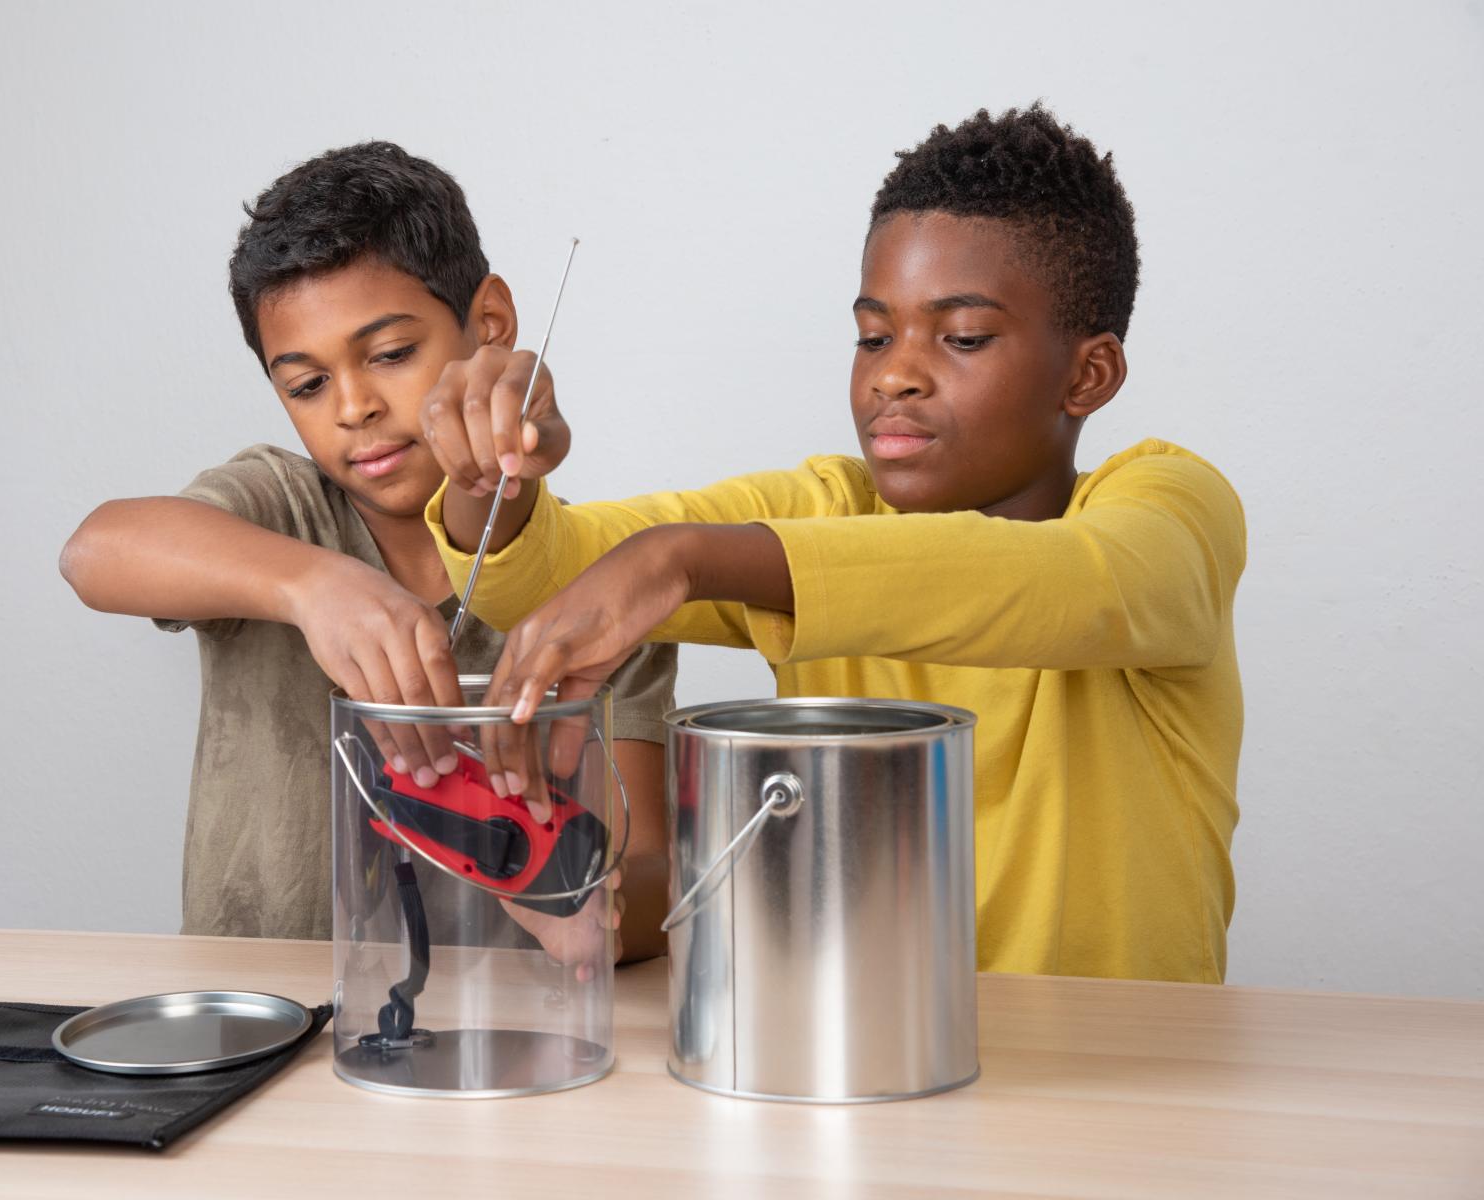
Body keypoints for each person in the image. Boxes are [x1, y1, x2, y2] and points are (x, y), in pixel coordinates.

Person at [419, 106, 1244, 984]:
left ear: (1089, 375)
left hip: (1124, 1091)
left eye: (962, 337)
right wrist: (489, 480)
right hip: (856, 1074)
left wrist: (684, 559)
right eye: (873, 336)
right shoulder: (824, 511)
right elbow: (545, 572)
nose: (894, 372)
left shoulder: (1171, 507)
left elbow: (1078, 587)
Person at [60, 142, 677, 973]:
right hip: (261, 1029)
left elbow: (650, 873)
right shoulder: (278, 511)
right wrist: (313, 586)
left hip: (500, 1049)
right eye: (307, 385)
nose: (353, 406)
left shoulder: (604, 591)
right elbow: (95, 550)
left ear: (488, 324)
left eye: (389, 354)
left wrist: (569, 899)